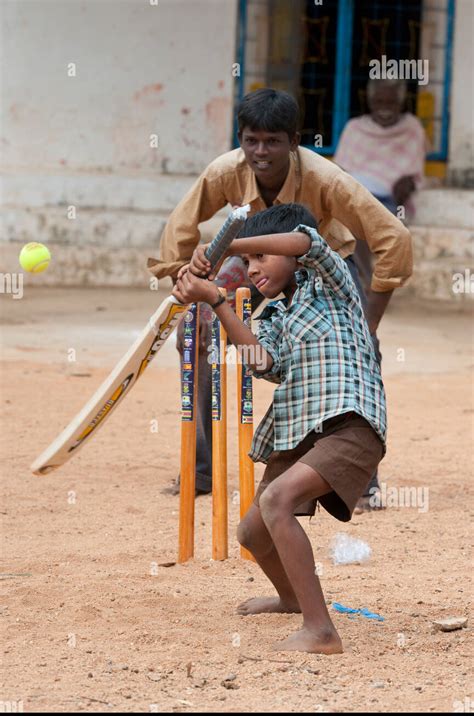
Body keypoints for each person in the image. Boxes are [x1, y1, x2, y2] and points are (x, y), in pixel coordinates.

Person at [150, 88, 411, 510]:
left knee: (362, 350)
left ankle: (359, 479)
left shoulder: (326, 178)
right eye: (251, 140)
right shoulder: (224, 171)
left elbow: (392, 238)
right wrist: (185, 273)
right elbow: (179, 229)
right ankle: (201, 469)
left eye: (273, 141)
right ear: (240, 139)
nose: (261, 152)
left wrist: (368, 325)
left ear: (295, 142)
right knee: (195, 330)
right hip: (255, 261)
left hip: (324, 266)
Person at [171, 203, 386, 655]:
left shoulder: (329, 282)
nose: (252, 268)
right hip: (301, 432)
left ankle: (322, 632)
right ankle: (292, 598)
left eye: (261, 257)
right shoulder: (271, 315)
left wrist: (229, 244)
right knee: (252, 533)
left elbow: (303, 240)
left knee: (277, 500)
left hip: (350, 422)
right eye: (247, 264)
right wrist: (214, 298)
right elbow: (263, 363)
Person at [334, 78, 427, 296]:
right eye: (379, 101)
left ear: (401, 103)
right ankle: (369, 281)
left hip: (390, 200)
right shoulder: (355, 128)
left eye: (391, 102)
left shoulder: (412, 128)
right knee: (351, 221)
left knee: (369, 221)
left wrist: (408, 183)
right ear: (370, 102)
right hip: (357, 196)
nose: (384, 107)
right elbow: (340, 171)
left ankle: (372, 285)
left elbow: (413, 173)